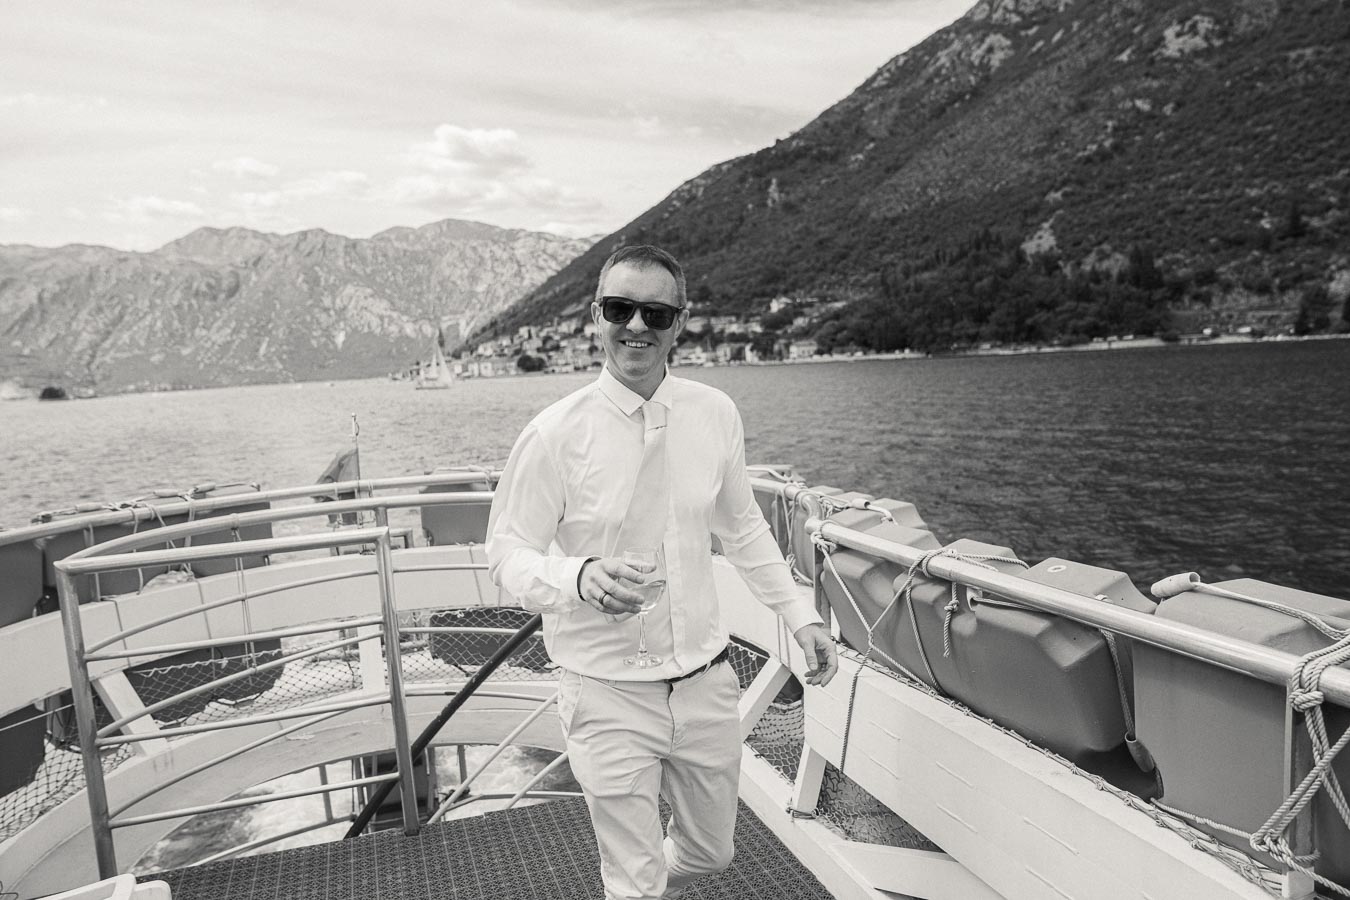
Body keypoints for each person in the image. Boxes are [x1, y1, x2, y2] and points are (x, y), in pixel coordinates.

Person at [486, 244, 837, 900]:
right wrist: (579, 576)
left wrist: (800, 615)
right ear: (596, 315)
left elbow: (743, 528)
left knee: (710, 852)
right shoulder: (553, 435)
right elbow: (506, 554)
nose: (636, 326)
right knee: (634, 880)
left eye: (655, 312)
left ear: (681, 322)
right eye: (620, 308)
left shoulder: (715, 414)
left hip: (705, 684)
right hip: (606, 693)